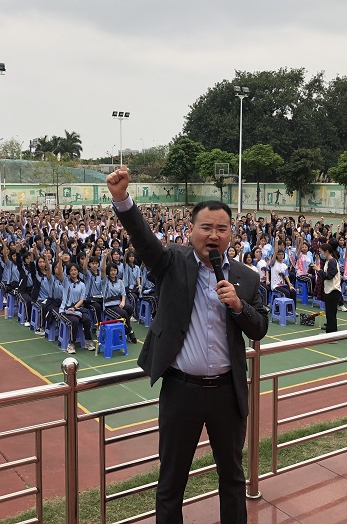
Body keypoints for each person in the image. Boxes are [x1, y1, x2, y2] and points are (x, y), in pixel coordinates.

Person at [106, 166, 268, 524]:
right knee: (171, 481)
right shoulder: (172, 262)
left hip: (227, 393)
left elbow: (259, 328)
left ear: (231, 234)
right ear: (190, 230)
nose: (214, 235)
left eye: (222, 228)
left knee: (232, 477)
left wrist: (238, 305)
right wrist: (122, 199)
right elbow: (144, 239)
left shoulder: (245, 277)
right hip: (182, 391)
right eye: (206, 227)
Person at [318, 243, 342, 333]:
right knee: (329, 313)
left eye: (321, 252)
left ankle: (331, 332)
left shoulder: (332, 261)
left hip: (333, 290)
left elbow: (329, 276)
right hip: (329, 290)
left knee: (331, 313)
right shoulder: (328, 261)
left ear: (327, 251)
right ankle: (329, 327)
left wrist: (319, 270)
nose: (320, 254)